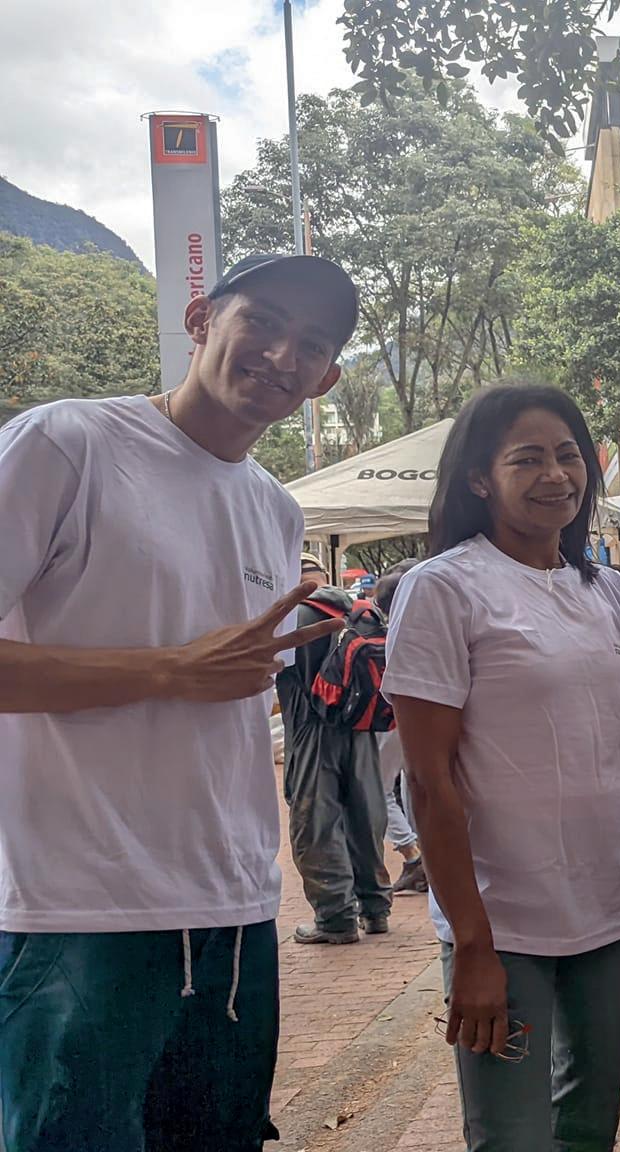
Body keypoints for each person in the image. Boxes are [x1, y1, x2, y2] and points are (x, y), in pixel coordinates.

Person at [0, 252, 355, 1151]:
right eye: (262, 321)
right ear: (200, 319)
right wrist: (164, 669)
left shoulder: (274, 508)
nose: (282, 355)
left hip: (234, 909)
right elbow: (191, 672)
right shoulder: (67, 443)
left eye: (312, 344)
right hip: (79, 912)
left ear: (327, 379)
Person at [383, 385, 620, 1151]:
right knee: (511, 1137)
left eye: (568, 455)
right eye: (526, 459)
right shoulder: (443, 588)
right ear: (478, 477)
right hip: (502, 920)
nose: (555, 475)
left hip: (611, 905)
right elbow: (429, 782)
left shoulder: (604, 590)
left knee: (589, 1129)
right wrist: (472, 942)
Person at [277, 553, 392, 944]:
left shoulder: (294, 616)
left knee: (315, 821)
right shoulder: (359, 610)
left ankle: (335, 917)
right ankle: (376, 909)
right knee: (366, 813)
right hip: (360, 727)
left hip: (312, 728)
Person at [371, 559, 428, 895]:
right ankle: (424, 856)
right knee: (414, 780)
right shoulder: (430, 628)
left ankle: (413, 854)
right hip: (417, 721)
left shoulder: (392, 633)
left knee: (380, 789)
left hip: (392, 720)